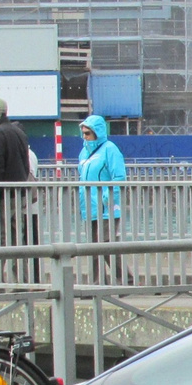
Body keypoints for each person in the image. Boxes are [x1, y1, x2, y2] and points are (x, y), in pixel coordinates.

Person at [0, 98, 37, 279]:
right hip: (18, 192)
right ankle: (21, 278)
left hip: (2, 195)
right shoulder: (18, 132)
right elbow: (25, 163)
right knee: (17, 238)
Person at [77, 115, 126, 282]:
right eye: (83, 133)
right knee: (93, 247)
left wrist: (109, 196)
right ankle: (98, 282)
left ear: (97, 132)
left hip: (106, 206)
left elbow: (119, 176)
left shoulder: (110, 149)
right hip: (89, 206)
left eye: (88, 133)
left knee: (105, 245)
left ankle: (124, 278)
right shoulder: (84, 152)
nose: (85, 137)